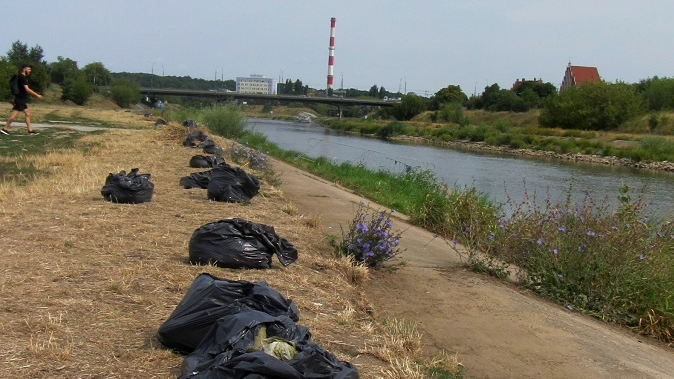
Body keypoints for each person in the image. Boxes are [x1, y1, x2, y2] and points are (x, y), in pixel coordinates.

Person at [2, 64, 43, 135]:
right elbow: (27, 89)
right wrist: (37, 95)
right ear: (24, 69)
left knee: (27, 113)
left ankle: (30, 131)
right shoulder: (22, 77)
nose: (30, 71)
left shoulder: (20, 77)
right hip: (20, 98)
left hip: (20, 98)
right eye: (29, 69)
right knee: (14, 115)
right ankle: (4, 129)